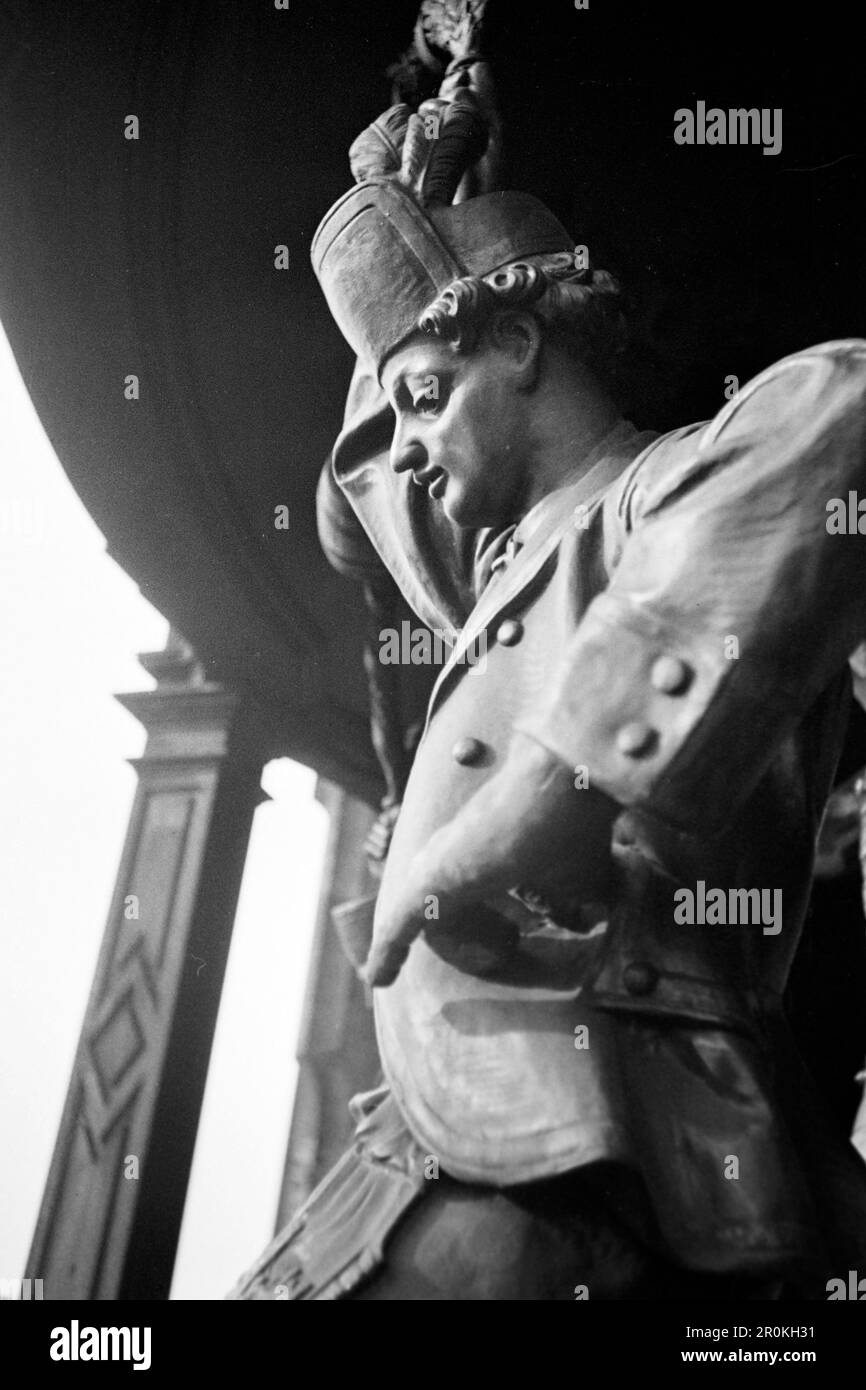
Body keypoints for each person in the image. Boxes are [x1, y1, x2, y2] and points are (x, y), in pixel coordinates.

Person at [230, 101, 866, 1301]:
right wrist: (403, 223)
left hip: (616, 1113)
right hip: (445, 1120)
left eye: (424, 397)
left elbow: (848, 407)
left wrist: (551, 791)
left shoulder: (654, 492)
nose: (406, 447)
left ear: (518, 349)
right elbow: (358, 503)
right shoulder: (491, 574)